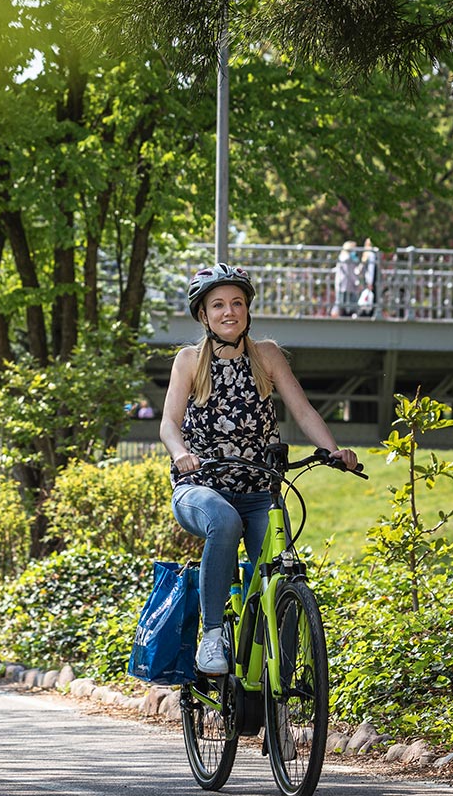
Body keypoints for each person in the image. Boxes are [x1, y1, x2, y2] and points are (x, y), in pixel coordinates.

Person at [159, 263, 359, 675]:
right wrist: (180, 452)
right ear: (203, 315)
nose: (229, 311)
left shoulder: (265, 355)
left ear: (248, 310)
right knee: (224, 521)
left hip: (258, 490)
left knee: (280, 565)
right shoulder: (188, 361)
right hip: (200, 487)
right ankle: (212, 635)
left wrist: (334, 451)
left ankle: (278, 686)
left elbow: (302, 410)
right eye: (218, 305)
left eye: (237, 303)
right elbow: (168, 424)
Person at [332, 240, 361, 317]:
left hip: (341, 284)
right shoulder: (348, 259)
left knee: (340, 303)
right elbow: (350, 273)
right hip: (348, 285)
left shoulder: (341, 257)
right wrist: (357, 282)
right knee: (350, 305)